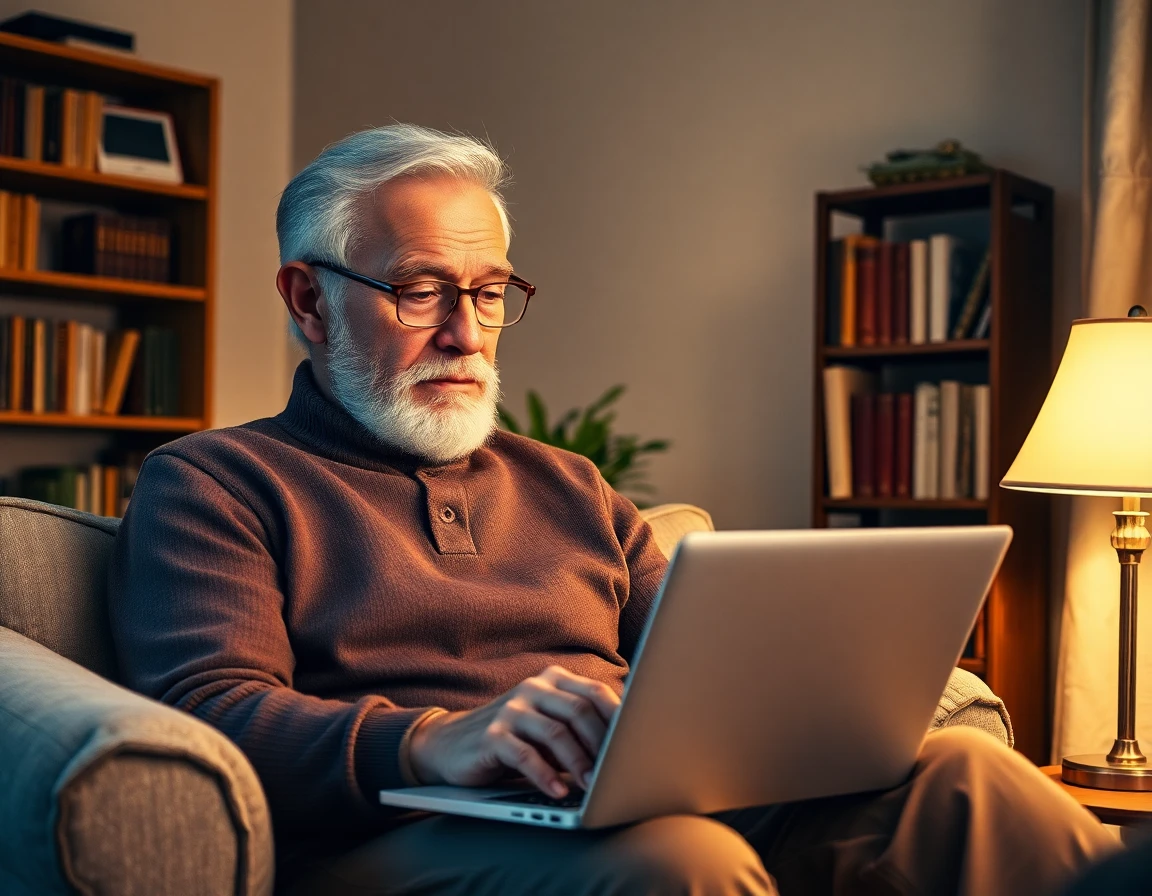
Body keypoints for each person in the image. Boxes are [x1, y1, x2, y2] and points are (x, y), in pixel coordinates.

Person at [108, 124, 1117, 895]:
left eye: (491, 290)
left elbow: (702, 656)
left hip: (618, 801)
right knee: (682, 861)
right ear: (308, 298)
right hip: (397, 835)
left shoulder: (568, 482)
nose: (467, 331)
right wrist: (430, 741)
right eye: (420, 290)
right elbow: (210, 708)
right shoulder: (215, 479)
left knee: (971, 778)